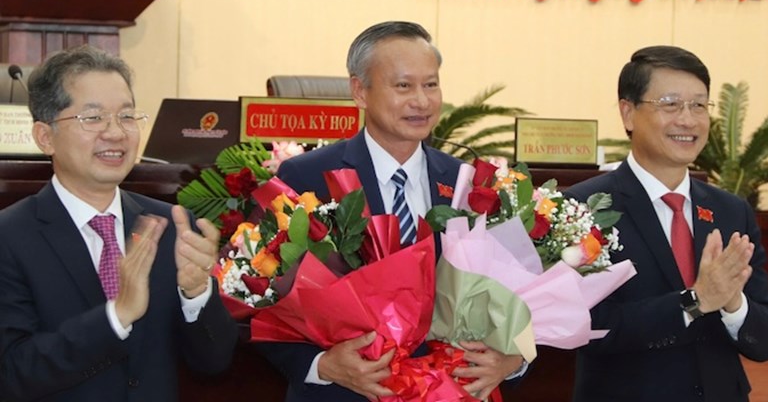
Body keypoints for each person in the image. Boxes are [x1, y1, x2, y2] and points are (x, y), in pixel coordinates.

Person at [255, 21, 526, 401]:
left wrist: (514, 359)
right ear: (359, 91)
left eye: (430, 85)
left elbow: (517, 294)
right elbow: (263, 296)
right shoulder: (306, 177)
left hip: (452, 390)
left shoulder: (469, 183)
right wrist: (321, 365)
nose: (422, 101)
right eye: (403, 86)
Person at [0, 45, 238, 401]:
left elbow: (214, 363)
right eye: (93, 117)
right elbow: (12, 373)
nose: (115, 133)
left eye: (127, 116)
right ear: (45, 137)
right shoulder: (10, 237)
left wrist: (196, 294)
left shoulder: (169, 226)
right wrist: (116, 316)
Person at [566, 45, 768, 402]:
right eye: (670, 104)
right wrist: (696, 301)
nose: (688, 119)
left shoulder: (731, 211)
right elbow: (589, 326)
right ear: (628, 113)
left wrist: (733, 304)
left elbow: (766, 340)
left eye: (699, 105)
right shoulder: (582, 207)